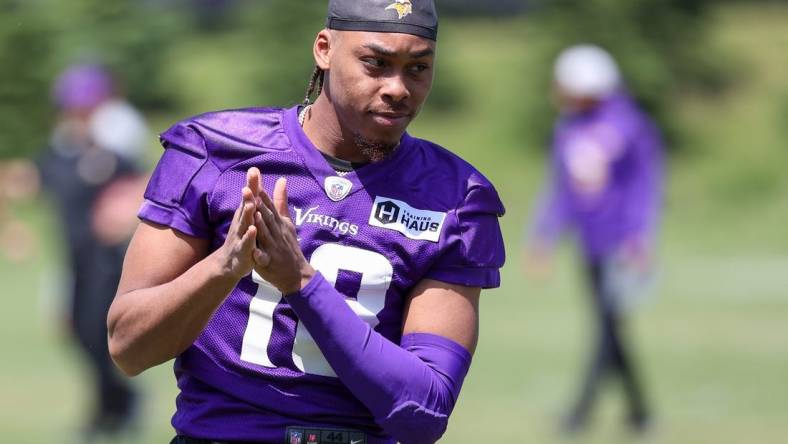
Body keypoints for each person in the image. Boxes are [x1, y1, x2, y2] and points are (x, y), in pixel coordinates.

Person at [107, 1, 506, 443]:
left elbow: (424, 412)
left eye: (417, 68)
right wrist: (224, 267)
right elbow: (128, 347)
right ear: (324, 49)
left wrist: (301, 282)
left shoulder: (455, 199)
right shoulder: (216, 153)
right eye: (376, 63)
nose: (398, 88)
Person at [3, 63, 150, 441]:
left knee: (93, 331)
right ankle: (117, 402)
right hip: (72, 266)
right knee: (78, 334)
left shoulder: (110, 151)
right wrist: (11, 229)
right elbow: (19, 181)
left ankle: (109, 410)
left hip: (106, 263)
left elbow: (148, 184)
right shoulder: (59, 152)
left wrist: (126, 210)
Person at [525, 45, 663, 435]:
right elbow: (561, 190)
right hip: (588, 244)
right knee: (611, 328)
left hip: (621, 246)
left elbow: (645, 186)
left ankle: (579, 413)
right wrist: (544, 236)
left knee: (606, 329)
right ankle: (641, 413)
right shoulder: (567, 127)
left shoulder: (630, 125)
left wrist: (640, 237)